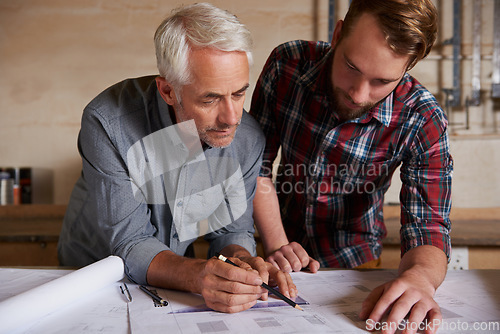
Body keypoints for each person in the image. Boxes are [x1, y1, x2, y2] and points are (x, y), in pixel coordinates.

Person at [58, 3, 296, 314]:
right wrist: (199, 275)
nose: (232, 118)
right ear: (168, 91)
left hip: (173, 282)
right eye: (210, 98)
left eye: (238, 94)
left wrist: (241, 261)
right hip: (85, 277)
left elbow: (229, 230)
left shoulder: (248, 137)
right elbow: (130, 243)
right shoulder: (107, 121)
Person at [250, 0, 452, 332]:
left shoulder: (424, 119)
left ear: (408, 66)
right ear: (339, 32)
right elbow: (254, 167)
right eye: (351, 66)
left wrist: (419, 278)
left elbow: (427, 226)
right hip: (275, 247)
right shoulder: (287, 63)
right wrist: (277, 243)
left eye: (382, 81)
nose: (359, 94)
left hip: (356, 262)